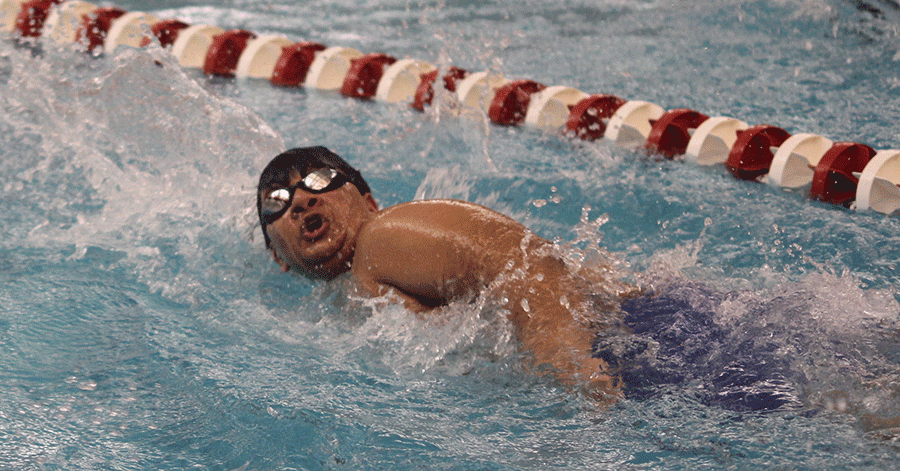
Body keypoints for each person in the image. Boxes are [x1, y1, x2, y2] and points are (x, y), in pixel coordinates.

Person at [257, 146, 800, 410]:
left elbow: (521, 264)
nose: (302, 195)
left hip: (641, 339)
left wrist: (567, 365)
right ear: (277, 257)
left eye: (320, 177)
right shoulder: (355, 290)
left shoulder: (382, 237)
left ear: (367, 196)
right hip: (647, 341)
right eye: (277, 200)